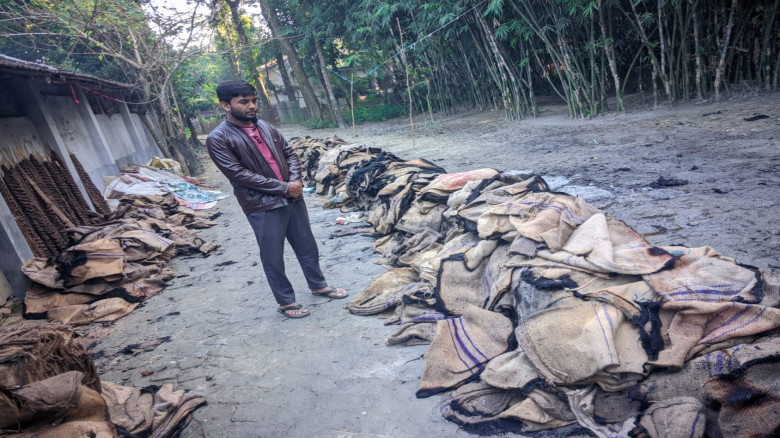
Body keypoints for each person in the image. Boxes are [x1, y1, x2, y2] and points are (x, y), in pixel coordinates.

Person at [206, 80, 347, 318]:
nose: (252, 106)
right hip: (261, 204)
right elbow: (238, 174)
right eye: (244, 102)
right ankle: (285, 302)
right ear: (225, 105)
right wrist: (284, 187)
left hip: (292, 197)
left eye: (254, 100)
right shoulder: (218, 138)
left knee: (307, 245)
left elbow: (289, 153)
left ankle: (318, 285)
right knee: (273, 254)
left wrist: (295, 182)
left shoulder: (265, 126)